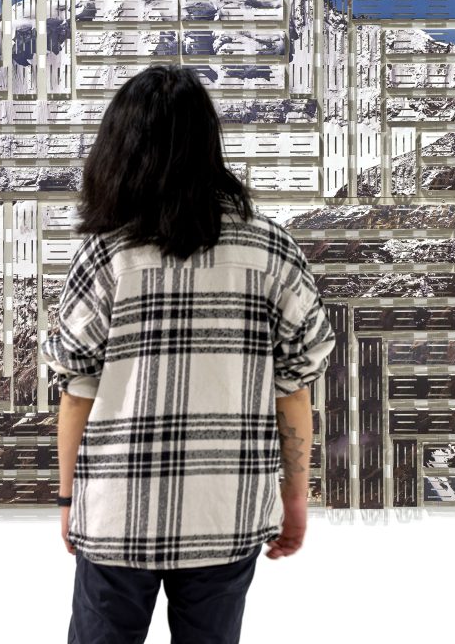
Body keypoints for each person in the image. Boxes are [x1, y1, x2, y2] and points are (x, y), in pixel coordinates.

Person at [40, 63, 337, 643]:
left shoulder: (105, 256)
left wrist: (69, 499)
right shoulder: (272, 250)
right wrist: (295, 498)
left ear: (119, 148)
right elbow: (295, 387)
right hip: (226, 513)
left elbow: (77, 392)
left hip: (118, 514)